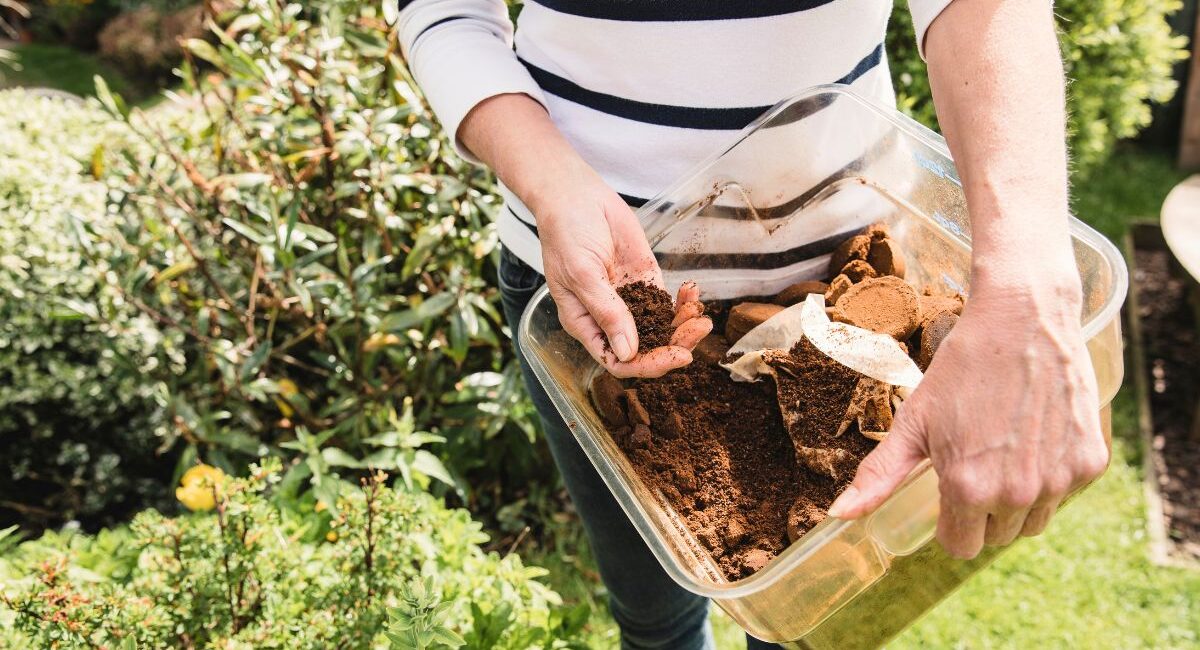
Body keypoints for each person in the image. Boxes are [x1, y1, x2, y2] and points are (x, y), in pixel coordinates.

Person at [396, 1, 1111, 648]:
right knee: (655, 620)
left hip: (848, 294)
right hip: (596, 305)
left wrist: (1027, 293)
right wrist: (552, 182)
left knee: (810, 629)